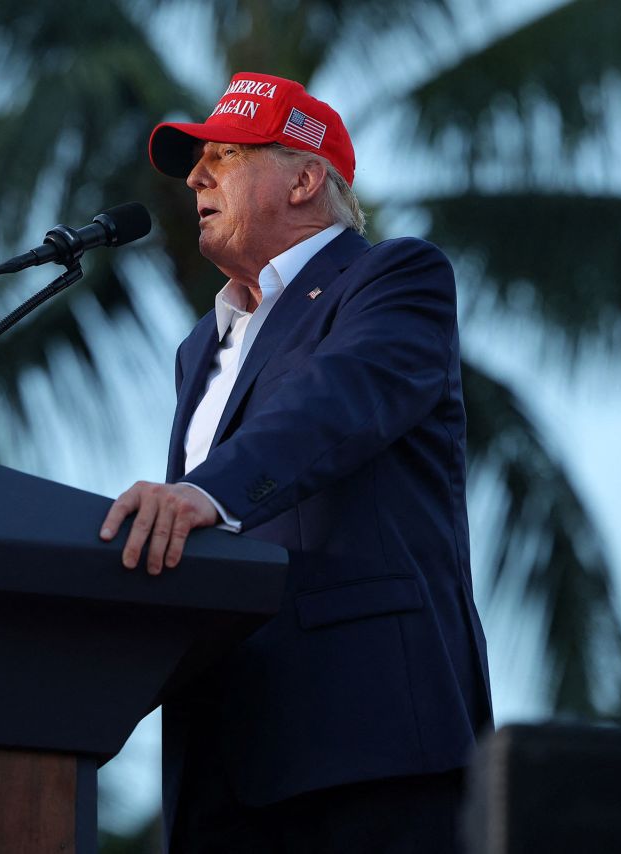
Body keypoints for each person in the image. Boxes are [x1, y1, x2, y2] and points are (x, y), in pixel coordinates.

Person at [98, 72, 493, 852]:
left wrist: (203, 492)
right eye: (196, 161)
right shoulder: (197, 351)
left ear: (306, 178)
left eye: (226, 157)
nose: (196, 177)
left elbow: (336, 404)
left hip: (366, 748)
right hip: (222, 769)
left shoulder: (393, 278)